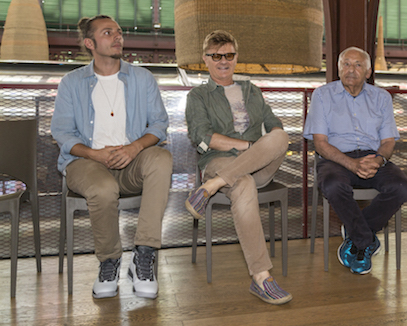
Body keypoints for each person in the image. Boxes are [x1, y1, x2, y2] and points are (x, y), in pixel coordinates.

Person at [51, 15, 172, 299]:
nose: (118, 36)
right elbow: (62, 133)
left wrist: (133, 148)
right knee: (103, 188)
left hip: (131, 162)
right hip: (86, 162)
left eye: (119, 32)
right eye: (108, 32)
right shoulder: (71, 83)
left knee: (161, 159)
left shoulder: (142, 78)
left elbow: (159, 125)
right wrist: (94, 154)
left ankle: (144, 254)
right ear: (90, 43)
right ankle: (109, 261)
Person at [184, 30, 292, 305]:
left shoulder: (252, 90)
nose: (223, 61)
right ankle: (262, 278)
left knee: (281, 137)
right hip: (220, 161)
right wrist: (250, 147)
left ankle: (211, 186)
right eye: (216, 56)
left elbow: (274, 125)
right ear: (205, 59)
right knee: (242, 183)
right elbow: (203, 137)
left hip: (258, 168)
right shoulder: (198, 96)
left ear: (236, 57)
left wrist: (262, 147)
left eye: (229, 55)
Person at [303, 46, 407, 275]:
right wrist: (351, 164)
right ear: (338, 68)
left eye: (358, 65)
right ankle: (364, 240)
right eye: (346, 64)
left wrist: (378, 160)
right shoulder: (322, 96)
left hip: (373, 157)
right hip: (335, 158)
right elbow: (320, 143)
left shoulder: (381, 98)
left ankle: (355, 233)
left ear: (368, 72)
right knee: (333, 184)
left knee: (401, 187)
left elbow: (388, 141)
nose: (351, 69)